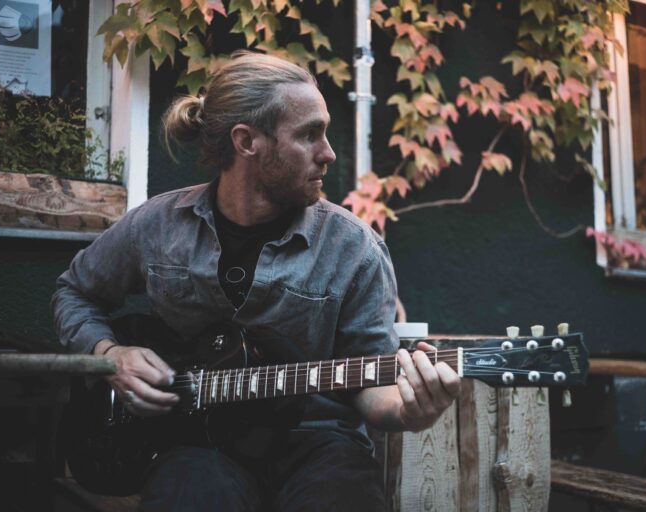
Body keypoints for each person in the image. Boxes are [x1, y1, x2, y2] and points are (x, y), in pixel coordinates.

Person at [52, 50, 460, 511]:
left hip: (316, 445)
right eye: (310, 135)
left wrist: (409, 410)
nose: (328, 153)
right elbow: (75, 291)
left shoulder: (354, 247)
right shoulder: (158, 225)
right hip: (192, 444)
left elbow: (370, 378)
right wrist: (111, 355)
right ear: (247, 141)